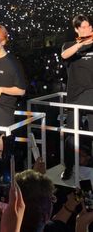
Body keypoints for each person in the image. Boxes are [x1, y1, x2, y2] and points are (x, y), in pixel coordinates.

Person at [61, 15, 93, 180]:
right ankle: (69, 167)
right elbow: (65, 55)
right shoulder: (69, 45)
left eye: (90, 26)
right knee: (71, 135)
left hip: (92, 95)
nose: (88, 29)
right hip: (74, 96)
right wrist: (81, 43)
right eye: (84, 27)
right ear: (77, 29)